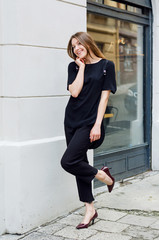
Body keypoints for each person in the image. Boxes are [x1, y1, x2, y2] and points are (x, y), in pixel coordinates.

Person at [61, 32, 117, 229]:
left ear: (88, 42)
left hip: (89, 122)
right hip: (71, 120)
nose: (76, 48)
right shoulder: (74, 66)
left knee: (68, 161)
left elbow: (104, 99)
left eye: (79, 43)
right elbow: (74, 92)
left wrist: (96, 124)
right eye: (73, 46)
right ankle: (90, 209)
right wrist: (82, 67)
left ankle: (104, 177)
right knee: (78, 162)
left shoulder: (106, 66)